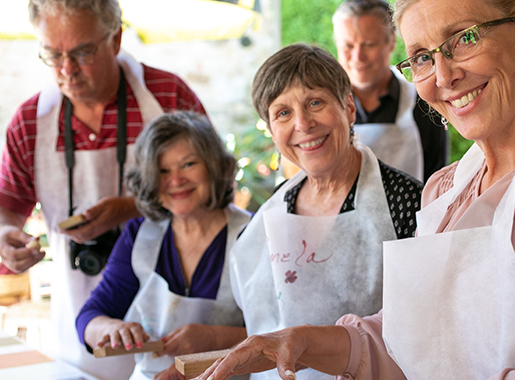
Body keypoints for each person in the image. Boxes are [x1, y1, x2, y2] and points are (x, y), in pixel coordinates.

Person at [197, 0, 515, 379]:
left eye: (463, 39)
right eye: (423, 57)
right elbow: (412, 341)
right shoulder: (445, 190)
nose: (444, 76)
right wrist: (300, 342)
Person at [0, 1, 206, 379]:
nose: (66, 70)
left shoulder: (168, 97)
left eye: (82, 52)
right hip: (75, 328)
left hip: (174, 334)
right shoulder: (30, 121)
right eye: (52, 54)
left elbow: (214, 195)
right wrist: (6, 236)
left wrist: (131, 210)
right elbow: (8, 206)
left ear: (116, 39)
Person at [226, 43, 423, 380]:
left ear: (348, 107)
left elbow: (428, 327)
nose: (303, 123)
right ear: (273, 132)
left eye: (315, 102)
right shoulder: (272, 213)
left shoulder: (408, 203)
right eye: (283, 113)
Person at [76, 112, 250, 380]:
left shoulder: (251, 234)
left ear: (215, 166)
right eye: (162, 171)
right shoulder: (139, 234)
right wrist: (110, 329)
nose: (176, 180)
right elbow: (89, 318)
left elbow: (282, 331)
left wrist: (216, 337)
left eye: (188, 164)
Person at [332, 0, 447, 183]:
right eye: (348, 46)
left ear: (391, 42)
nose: (357, 57)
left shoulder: (423, 101)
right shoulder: (327, 106)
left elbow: (438, 178)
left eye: (368, 44)